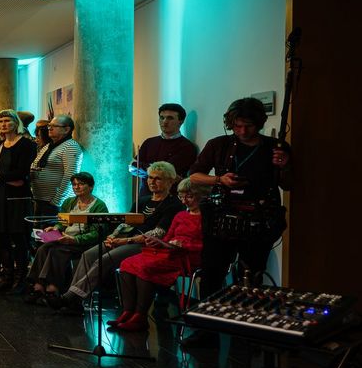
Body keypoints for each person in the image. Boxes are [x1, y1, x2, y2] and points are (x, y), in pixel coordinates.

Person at [188, 96, 292, 298]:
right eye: (237, 126)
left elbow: (288, 185)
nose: (243, 131)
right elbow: (193, 176)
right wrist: (220, 180)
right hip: (220, 220)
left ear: (259, 123)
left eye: (249, 126)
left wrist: (285, 166)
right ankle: (208, 316)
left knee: (252, 277)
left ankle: (244, 313)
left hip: (259, 221)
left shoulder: (276, 147)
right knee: (212, 274)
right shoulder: (219, 144)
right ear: (230, 123)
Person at [48, 161, 182, 314]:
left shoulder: (173, 204)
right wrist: (113, 237)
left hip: (146, 245)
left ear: (170, 181)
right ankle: (75, 302)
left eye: (158, 178)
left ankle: (70, 297)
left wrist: (125, 240)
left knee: (104, 259)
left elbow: (157, 233)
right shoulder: (142, 200)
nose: (152, 181)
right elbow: (126, 223)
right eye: (150, 177)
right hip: (126, 239)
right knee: (88, 255)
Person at [108, 178, 208, 332]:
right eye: (181, 197)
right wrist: (158, 242)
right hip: (170, 252)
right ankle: (128, 311)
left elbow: (207, 246)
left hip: (188, 257)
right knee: (127, 264)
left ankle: (140, 316)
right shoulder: (180, 215)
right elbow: (167, 238)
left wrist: (183, 245)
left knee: (145, 267)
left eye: (189, 196)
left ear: (201, 195)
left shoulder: (207, 218)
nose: (184, 201)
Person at [24, 171, 106, 302]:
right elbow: (61, 222)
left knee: (56, 251)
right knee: (43, 249)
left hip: (81, 242)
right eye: (74, 184)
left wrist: (75, 239)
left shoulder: (99, 206)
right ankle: (38, 285)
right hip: (64, 238)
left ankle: (52, 288)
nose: (76, 187)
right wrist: (56, 228)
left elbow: (97, 233)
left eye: (81, 184)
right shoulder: (69, 202)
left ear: (91, 187)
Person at [0, 109, 35, 292]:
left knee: (19, 239)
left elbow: (21, 174)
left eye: (7, 120)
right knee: (2, 239)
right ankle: (7, 276)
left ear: (16, 123)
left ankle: (21, 278)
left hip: (17, 199)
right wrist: (4, 178)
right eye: (1, 121)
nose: (4, 124)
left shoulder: (26, 145)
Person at [136, 103, 199, 204]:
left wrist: (145, 167)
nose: (165, 122)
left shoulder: (187, 147)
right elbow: (133, 166)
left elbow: (166, 171)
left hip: (170, 200)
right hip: (145, 197)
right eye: (162, 118)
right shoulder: (149, 142)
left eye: (170, 118)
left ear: (181, 121)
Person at [29, 114, 83, 218]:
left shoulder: (70, 146)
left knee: (51, 228)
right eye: (49, 125)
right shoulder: (49, 145)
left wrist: (57, 201)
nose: (49, 128)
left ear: (66, 129)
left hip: (54, 203)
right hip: (40, 199)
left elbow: (70, 176)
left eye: (54, 126)